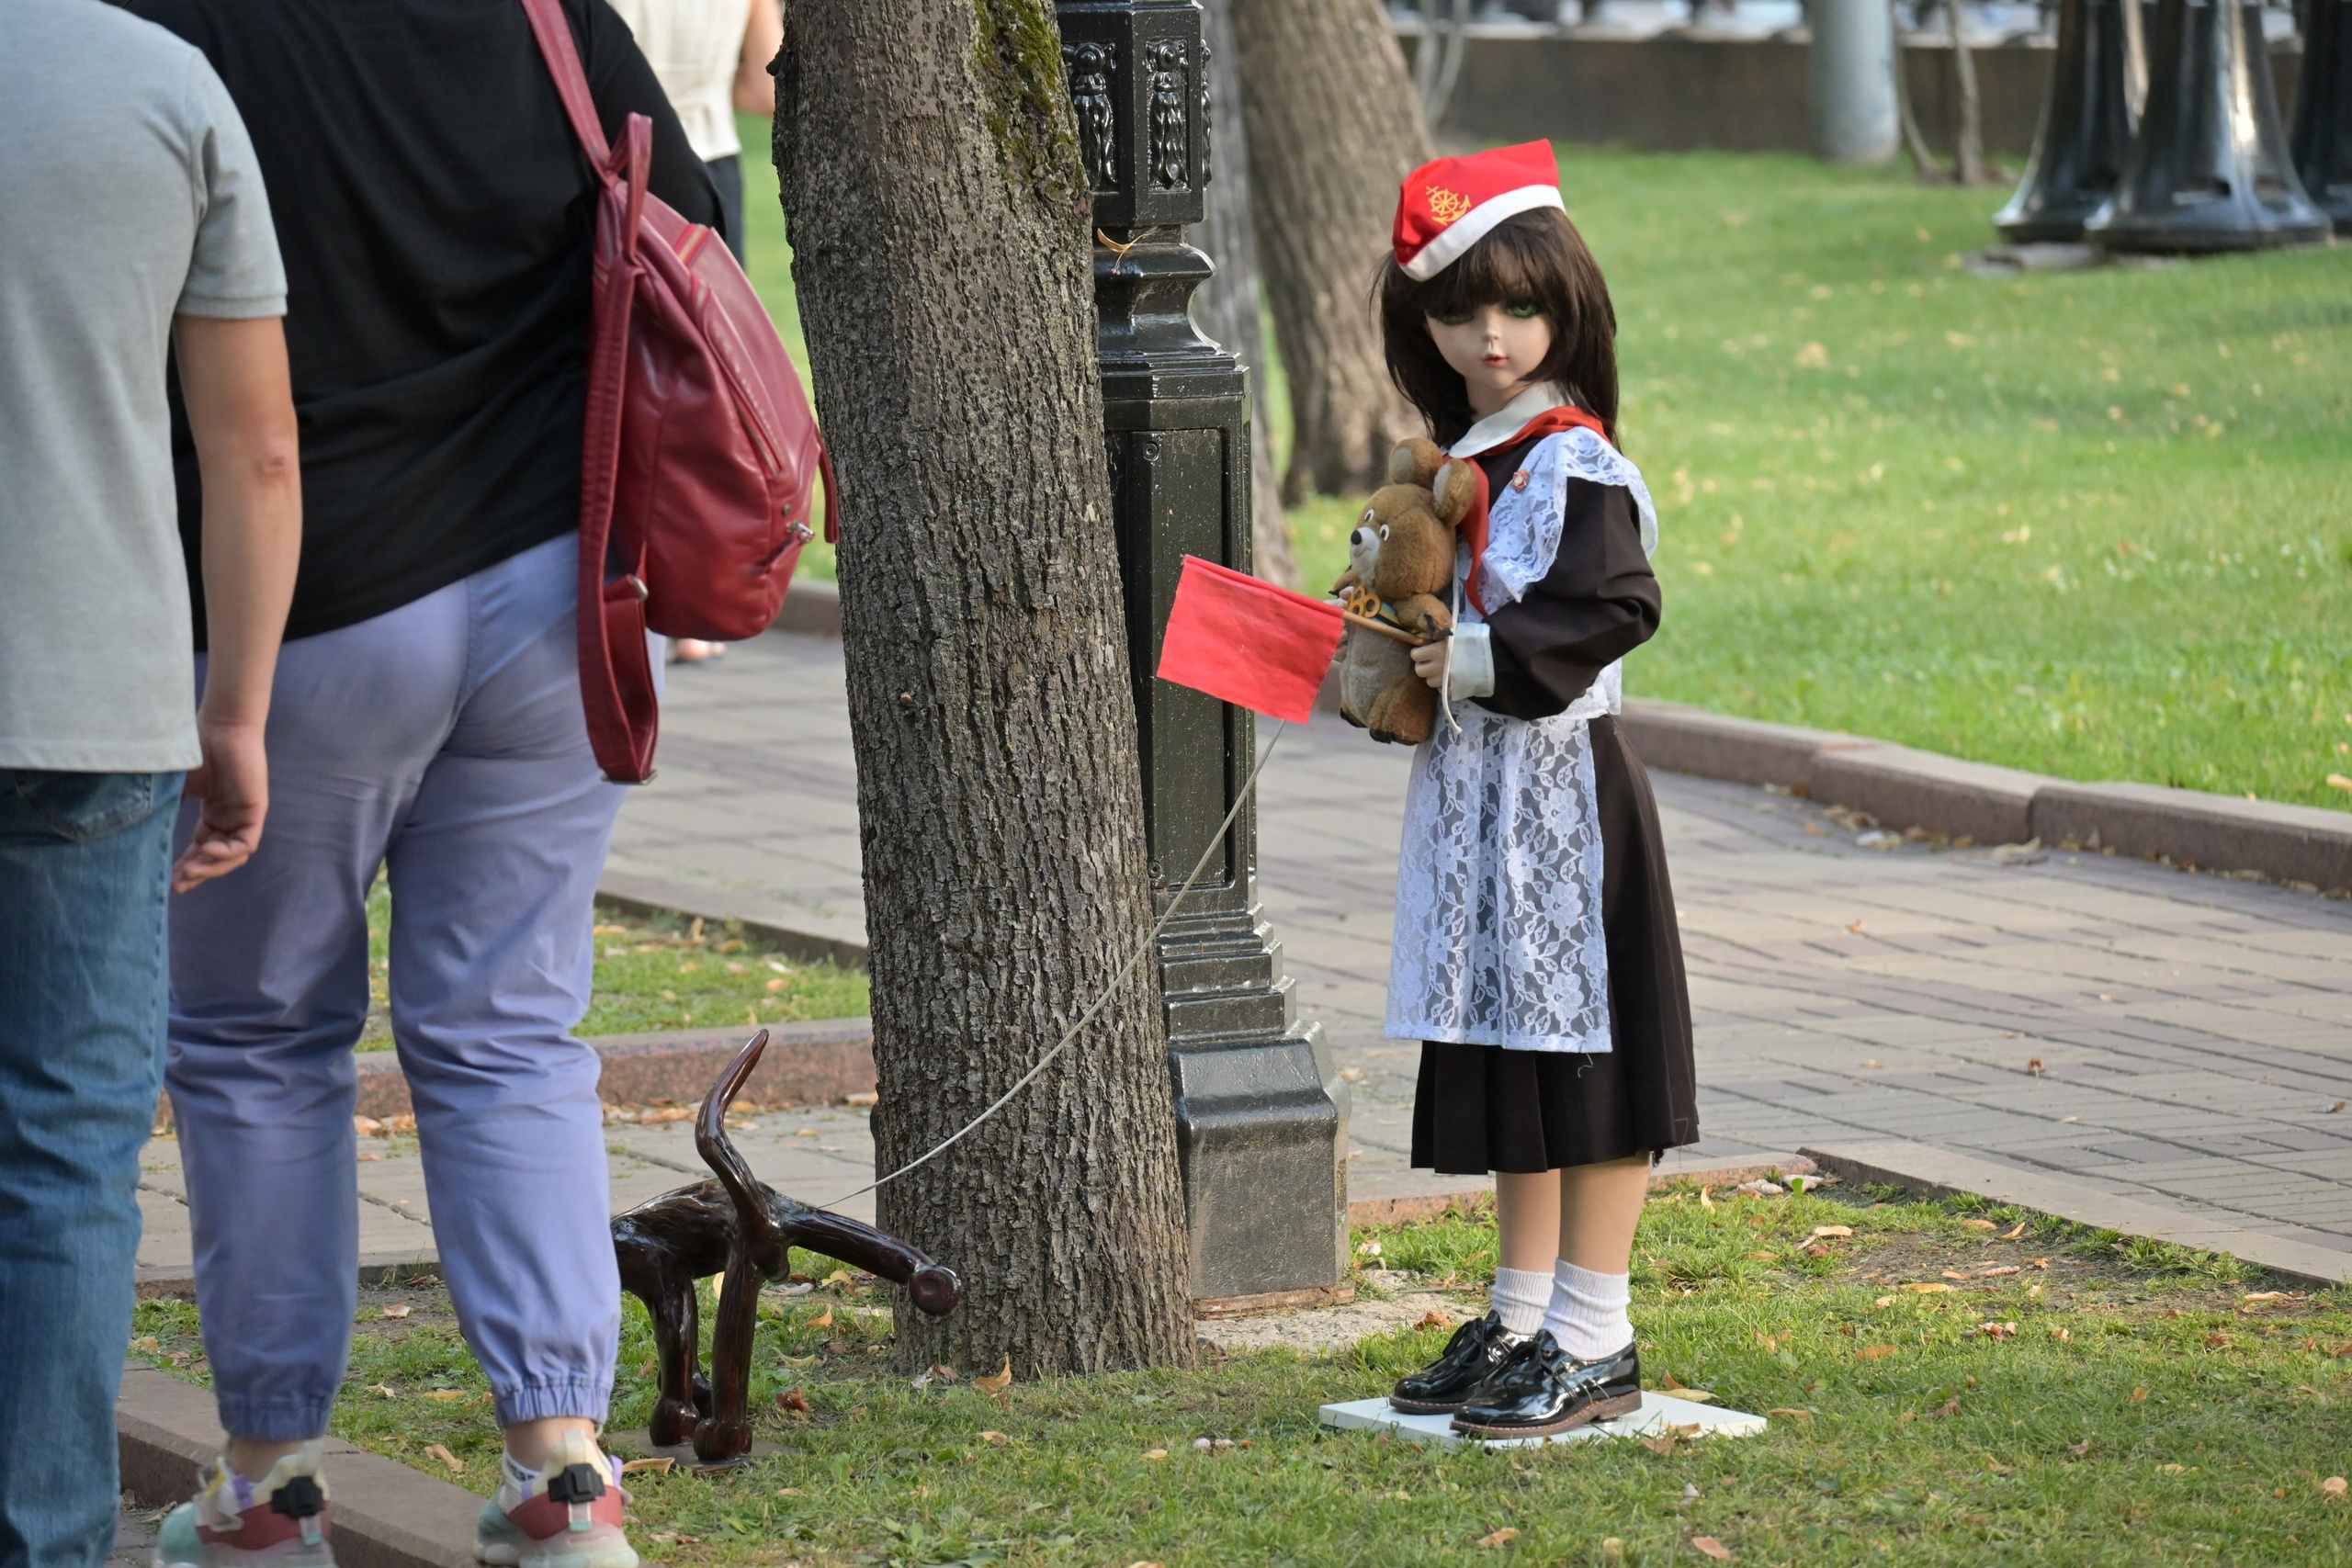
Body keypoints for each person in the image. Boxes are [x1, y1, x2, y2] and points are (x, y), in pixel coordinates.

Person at [115, 3, 719, 1564]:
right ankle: (563, 1468)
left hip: (290, 608)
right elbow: (693, 213)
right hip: (549, 588)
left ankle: (264, 1484)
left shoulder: (174, 28)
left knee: (255, 1041)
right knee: (512, 1025)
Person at [0, 5, 300, 1566]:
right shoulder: (159, 84)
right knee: (61, 1155)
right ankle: (42, 1537)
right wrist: (236, 711)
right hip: (90, 692)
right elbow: (252, 450)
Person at [1373, 141, 1699, 1438]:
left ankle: (1595, 1328)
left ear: (1566, 306)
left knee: (1590, 1055)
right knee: (1510, 1048)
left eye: (1516, 307)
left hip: (1570, 798)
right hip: (1480, 796)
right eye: (1459, 309)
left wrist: (1471, 657)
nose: (1489, 334)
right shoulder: (1467, 452)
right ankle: (1518, 1312)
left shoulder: (1573, 461)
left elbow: (1621, 604)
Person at [605, 0, 784, 666]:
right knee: (705, 392)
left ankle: (619, 570)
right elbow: (763, 89)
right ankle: (698, 604)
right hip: (710, 169)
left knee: (616, 377)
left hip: (618, 170)